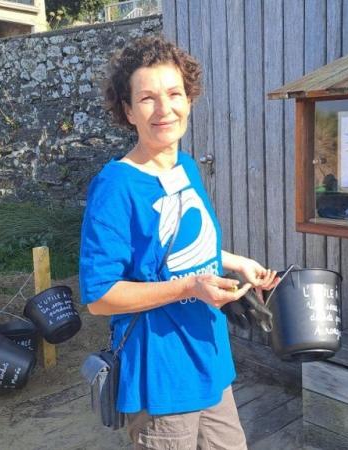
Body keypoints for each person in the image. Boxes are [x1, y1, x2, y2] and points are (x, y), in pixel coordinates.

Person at [79, 35, 277, 450]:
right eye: (147, 98)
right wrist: (190, 288)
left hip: (208, 360)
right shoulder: (116, 187)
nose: (164, 108)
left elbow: (177, 246)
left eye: (174, 93)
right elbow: (100, 296)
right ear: (128, 111)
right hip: (161, 377)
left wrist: (233, 261)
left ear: (189, 99)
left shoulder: (186, 167)